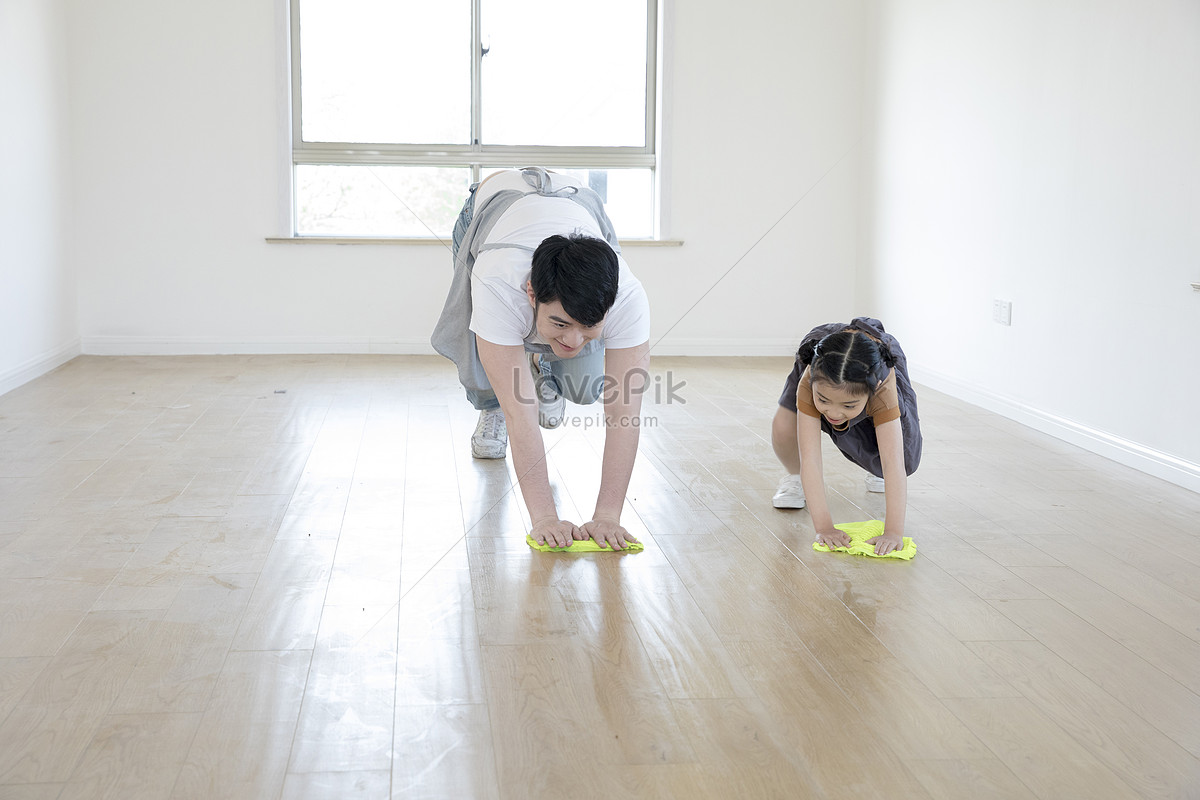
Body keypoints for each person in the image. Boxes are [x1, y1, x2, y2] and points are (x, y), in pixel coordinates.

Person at [431, 167, 650, 551]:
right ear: (531, 293)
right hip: (493, 212)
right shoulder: (497, 281)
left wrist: (608, 517)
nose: (573, 339)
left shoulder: (628, 297)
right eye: (560, 323)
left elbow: (625, 413)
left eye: (589, 325)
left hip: (576, 203)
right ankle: (492, 406)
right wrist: (545, 517)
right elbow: (522, 414)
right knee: (498, 386)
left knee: (584, 386)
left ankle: (541, 367)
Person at [769, 318, 922, 555]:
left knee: (903, 458)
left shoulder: (883, 387)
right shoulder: (810, 380)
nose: (834, 413)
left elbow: (894, 463)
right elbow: (811, 458)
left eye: (848, 406)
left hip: (871, 365)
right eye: (823, 401)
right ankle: (794, 478)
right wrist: (824, 528)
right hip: (826, 355)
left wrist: (892, 531)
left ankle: (872, 463)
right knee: (784, 425)